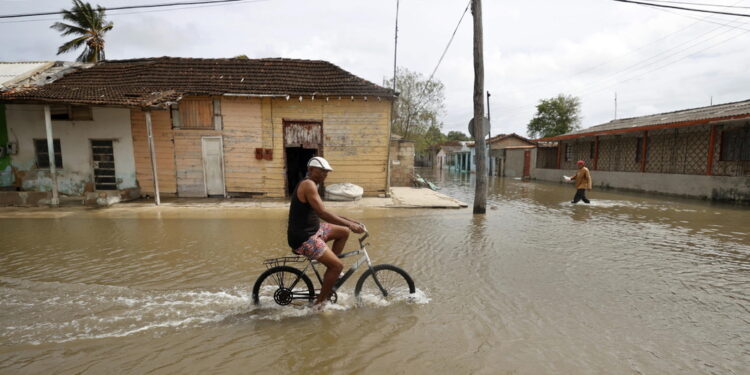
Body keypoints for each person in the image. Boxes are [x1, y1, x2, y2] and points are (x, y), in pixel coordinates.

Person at [287, 156, 365, 308]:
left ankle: (332, 275)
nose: (324, 175)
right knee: (337, 266)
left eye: (326, 172)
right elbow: (323, 214)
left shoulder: (312, 185)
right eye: (321, 171)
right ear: (310, 170)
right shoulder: (308, 184)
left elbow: (322, 212)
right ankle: (319, 304)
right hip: (304, 238)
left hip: (314, 230)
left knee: (343, 232)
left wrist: (349, 222)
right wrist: (351, 224)